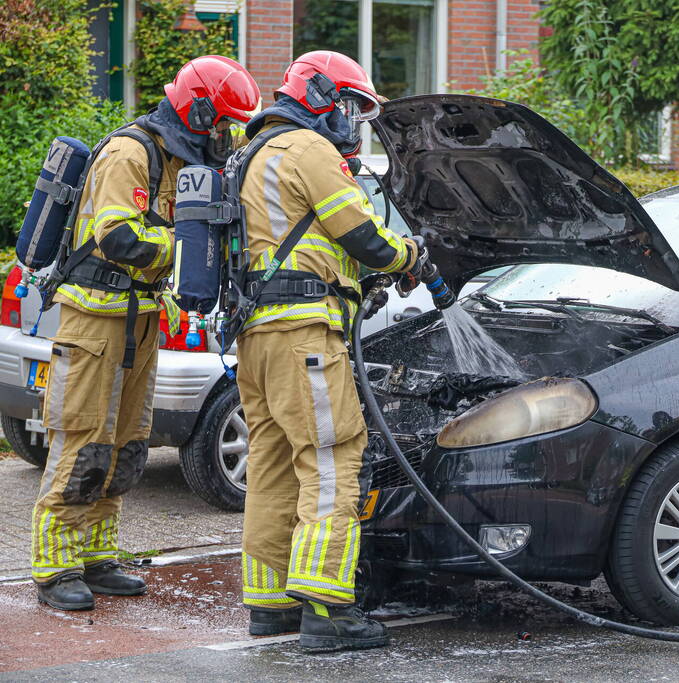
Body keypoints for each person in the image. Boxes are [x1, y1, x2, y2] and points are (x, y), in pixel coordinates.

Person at [31, 56, 261, 611]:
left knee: (127, 443)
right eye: (223, 123)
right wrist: (186, 254)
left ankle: (98, 555)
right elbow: (116, 236)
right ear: (198, 109)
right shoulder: (130, 154)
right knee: (83, 438)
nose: (226, 136)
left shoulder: (174, 159)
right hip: (94, 319)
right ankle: (54, 564)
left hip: (140, 318)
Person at [234, 50, 419, 652]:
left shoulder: (250, 154)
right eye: (350, 106)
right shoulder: (307, 150)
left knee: (273, 463)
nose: (352, 122)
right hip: (304, 333)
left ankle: (270, 602)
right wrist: (409, 257)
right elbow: (361, 232)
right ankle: (327, 608)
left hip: (258, 336)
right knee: (333, 455)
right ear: (321, 96)